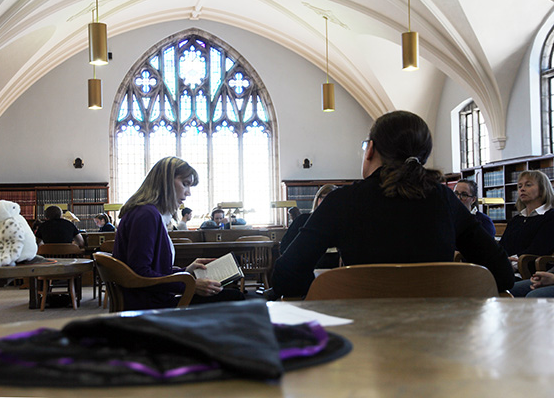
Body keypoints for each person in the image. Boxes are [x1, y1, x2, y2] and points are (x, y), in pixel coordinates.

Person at [271, 110, 514, 298]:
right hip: (438, 336)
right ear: (423, 157)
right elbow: (502, 273)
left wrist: (331, 292)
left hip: (361, 340)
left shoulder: (342, 202)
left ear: (371, 150)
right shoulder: (445, 200)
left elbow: (285, 276)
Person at [113, 156, 244, 309]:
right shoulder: (146, 215)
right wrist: (190, 285)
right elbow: (140, 274)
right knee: (236, 299)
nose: (188, 193)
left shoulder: (146, 212)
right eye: (185, 184)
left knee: (228, 295)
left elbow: (150, 271)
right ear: (166, 182)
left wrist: (186, 271)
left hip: (151, 299)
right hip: (151, 306)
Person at [500, 170, 554, 297]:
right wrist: (502, 261)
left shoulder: (550, 216)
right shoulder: (516, 220)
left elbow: (539, 248)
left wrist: (510, 264)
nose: (522, 189)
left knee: (500, 289)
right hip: (507, 270)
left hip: (529, 270)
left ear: (542, 189)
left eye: (528, 185)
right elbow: (502, 247)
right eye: (520, 186)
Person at [280, 184, 337, 255]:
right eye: (327, 199)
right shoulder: (303, 220)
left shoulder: (341, 225)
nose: (332, 204)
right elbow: (284, 248)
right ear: (318, 200)